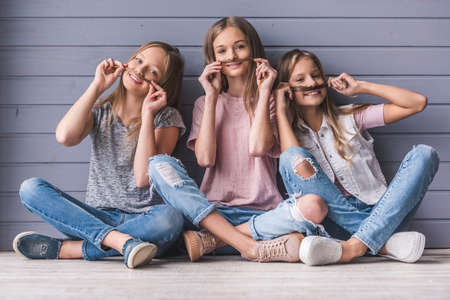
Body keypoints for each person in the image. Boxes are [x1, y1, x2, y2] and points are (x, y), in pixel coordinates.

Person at [147, 17, 329, 263]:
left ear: (253, 50)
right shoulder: (204, 104)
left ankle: (217, 242)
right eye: (222, 50)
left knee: (314, 206)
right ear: (213, 59)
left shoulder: (273, 100)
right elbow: (204, 158)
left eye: (239, 47)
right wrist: (211, 96)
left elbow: (258, 147)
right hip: (212, 213)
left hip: (264, 213)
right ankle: (251, 245)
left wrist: (264, 92)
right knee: (158, 163)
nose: (232, 55)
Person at [13, 41, 186, 269]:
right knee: (30, 188)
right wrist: (98, 85)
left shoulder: (167, 118)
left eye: (153, 71)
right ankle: (122, 243)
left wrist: (148, 114)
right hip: (94, 218)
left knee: (171, 218)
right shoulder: (101, 112)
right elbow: (64, 136)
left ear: (163, 84)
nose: (140, 70)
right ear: (128, 62)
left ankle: (71, 249)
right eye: (139, 60)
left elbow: (143, 178)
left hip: (144, 220)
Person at [273, 49, 440, 265]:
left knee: (425, 154)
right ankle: (382, 244)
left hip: (384, 216)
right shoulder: (286, 133)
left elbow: (417, 102)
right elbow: (292, 158)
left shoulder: (351, 116)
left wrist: (361, 87)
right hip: (333, 224)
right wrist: (280, 107)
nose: (311, 82)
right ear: (287, 88)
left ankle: (354, 247)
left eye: (315, 75)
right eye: (300, 79)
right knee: (293, 157)